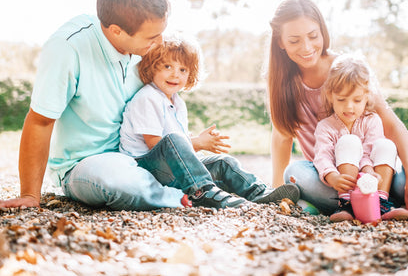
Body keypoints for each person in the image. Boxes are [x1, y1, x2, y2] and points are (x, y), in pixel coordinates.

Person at [266, 0, 408, 224]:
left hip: (380, 177)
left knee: (406, 183)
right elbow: (282, 136)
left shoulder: (345, 69)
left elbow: (392, 126)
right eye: (295, 40)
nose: (307, 47)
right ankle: (383, 206)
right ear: (280, 41)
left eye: (313, 36)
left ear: (322, 32)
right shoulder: (281, 83)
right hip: (336, 182)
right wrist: (278, 192)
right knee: (297, 173)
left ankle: (383, 201)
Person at [0, 0, 192, 210]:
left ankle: (199, 186)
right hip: (88, 164)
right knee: (120, 180)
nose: (161, 42)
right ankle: (184, 197)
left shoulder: (143, 46)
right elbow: (40, 121)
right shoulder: (67, 49)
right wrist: (30, 194)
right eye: (152, 37)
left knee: (217, 164)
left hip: (140, 155)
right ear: (116, 31)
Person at [119, 35, 300, 209]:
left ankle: (260, 193)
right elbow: (156, 144)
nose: (175, 74)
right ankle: (202, 192)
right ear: (152, 67)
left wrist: (194, 140)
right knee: (174, 140)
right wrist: (196, 143)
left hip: (172, 168)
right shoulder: (148, 98)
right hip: (147, 166)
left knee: (224, 162)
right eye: (167, 66)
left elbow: (178, 144)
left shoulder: (177, 102)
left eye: (183, 70)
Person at [312, 53, 408, 222]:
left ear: (367, 97)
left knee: (386, 145)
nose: (349, 107)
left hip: (372, 179)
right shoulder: (326, 126)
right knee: (349, 141)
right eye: (341, 99)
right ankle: (346, 203)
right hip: (344, 182)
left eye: (357, 100)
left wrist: (368, 171)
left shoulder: (372, 120)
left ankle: (380, 202)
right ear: (330, 96)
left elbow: (370, 150)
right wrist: (333, 176)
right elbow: (322, 156)